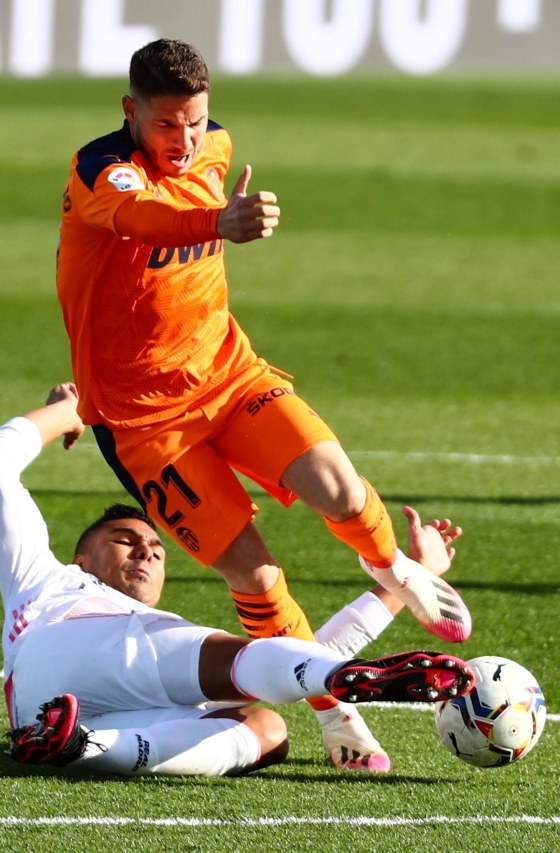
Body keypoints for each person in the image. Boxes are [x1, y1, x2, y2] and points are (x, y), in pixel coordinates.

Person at [55, 37, 471, 768]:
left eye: (194, 121)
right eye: (165, 124)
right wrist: (218, 222)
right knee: (255, 575)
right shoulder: (102, 171)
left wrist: (225, 210)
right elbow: (146, 219)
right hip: (146, 425)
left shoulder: (216, 147)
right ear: (131, 111)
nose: (184, 140)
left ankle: (393, 569)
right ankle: (336, 715)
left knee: (340, 487)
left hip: (228, 373)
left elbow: (199, 177)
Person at [0, 383, 474, 778]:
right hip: (69, 646)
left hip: (50, 716)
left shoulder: (150, 628)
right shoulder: (45, 577)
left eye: (157, 549)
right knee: (253, 662)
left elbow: (298, 651)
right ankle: (338, 680)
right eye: (124, 539)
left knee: (267, 729)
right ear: (81, 559)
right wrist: (68, 412)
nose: (147, 550)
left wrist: (412, 579)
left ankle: (82, 746)